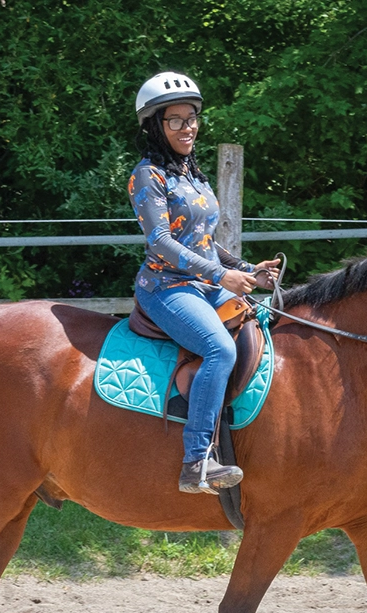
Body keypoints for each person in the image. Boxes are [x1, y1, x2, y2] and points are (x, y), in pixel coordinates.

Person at [128, 71, 279, 494]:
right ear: (155, 126)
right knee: (219, 347)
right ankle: (196, 461)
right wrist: (222, 276)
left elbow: (207, 243)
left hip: (204, 282)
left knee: (265, 323)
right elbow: (161, 242)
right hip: (167, 287)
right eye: (174, 120)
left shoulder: (192, 174)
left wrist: (248, 271)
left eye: (191, 117)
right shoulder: (148, 176)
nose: (187, 127)